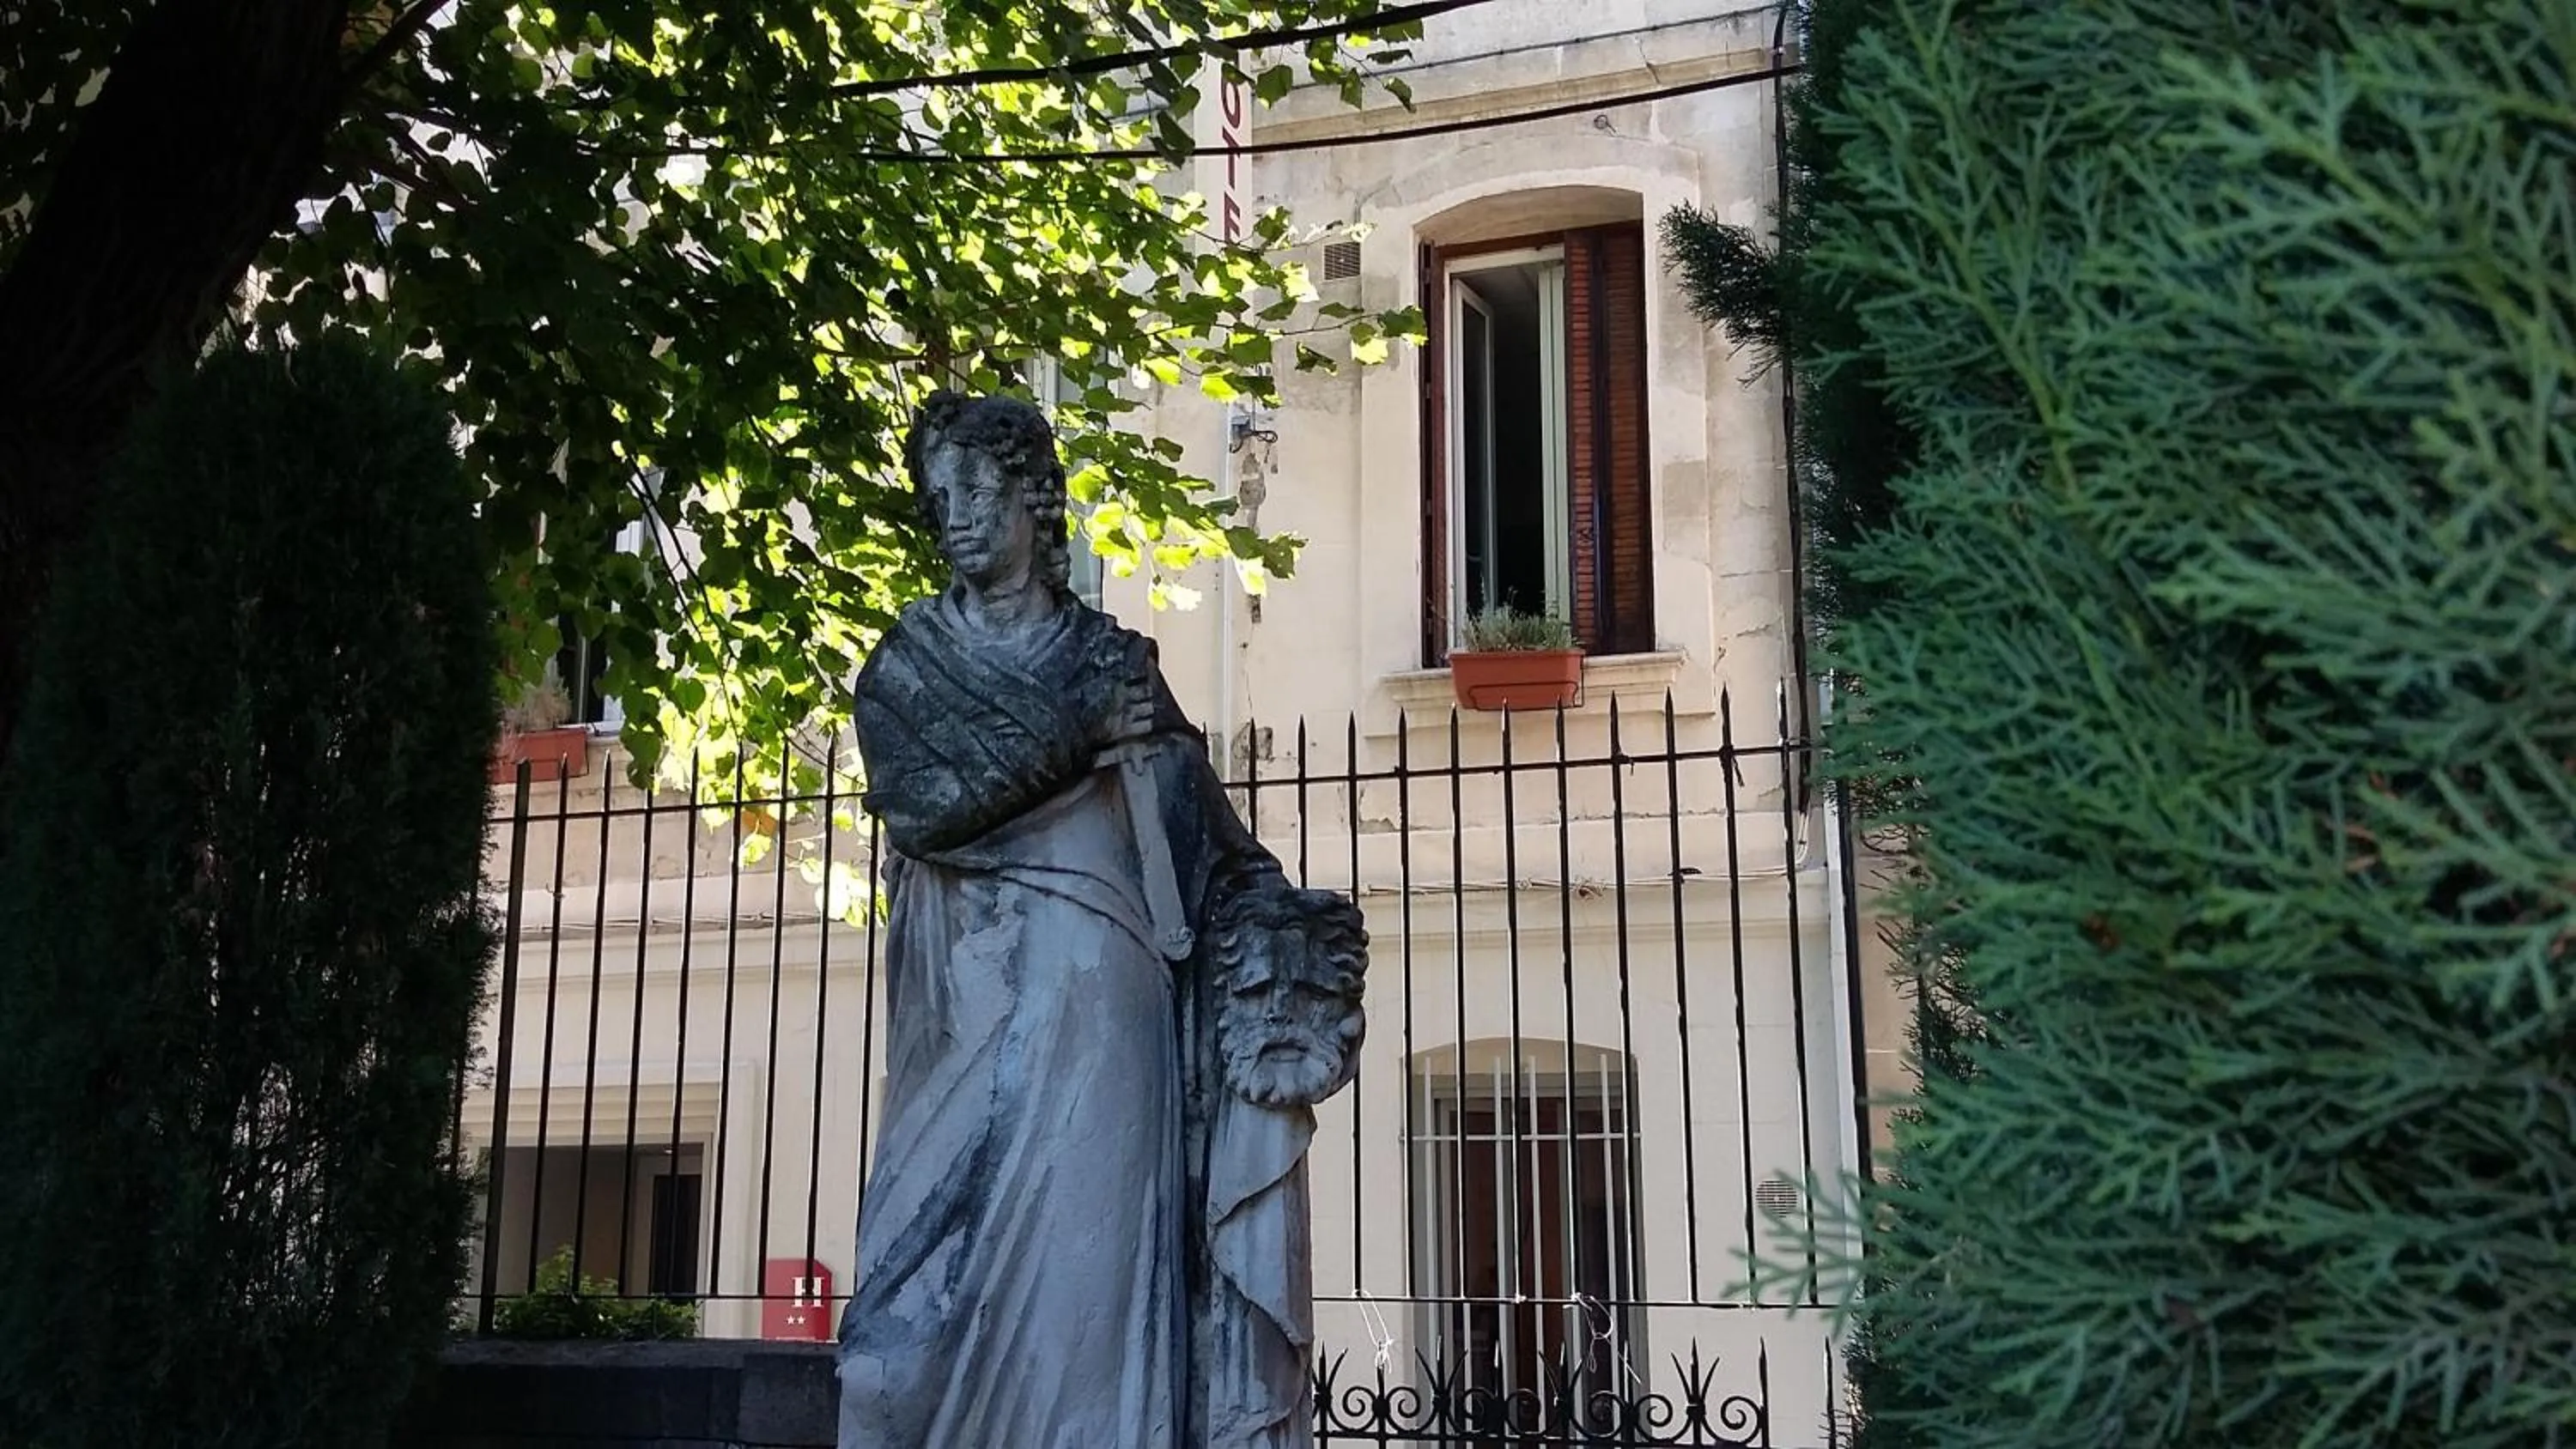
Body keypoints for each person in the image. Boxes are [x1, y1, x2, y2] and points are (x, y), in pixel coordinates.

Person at [837, 391, 1350, 1449]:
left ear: (1035, 498)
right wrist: (1076, 735)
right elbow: (924, 806)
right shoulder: (905, 668)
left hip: (1104, 1015)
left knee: (1089, 1283)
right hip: (961, 1009)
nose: (956, 513)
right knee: (900, 1317)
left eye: (978, 487)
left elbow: (1213, 848)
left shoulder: (1114, 663)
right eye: (940, 494)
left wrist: (1278, 926)